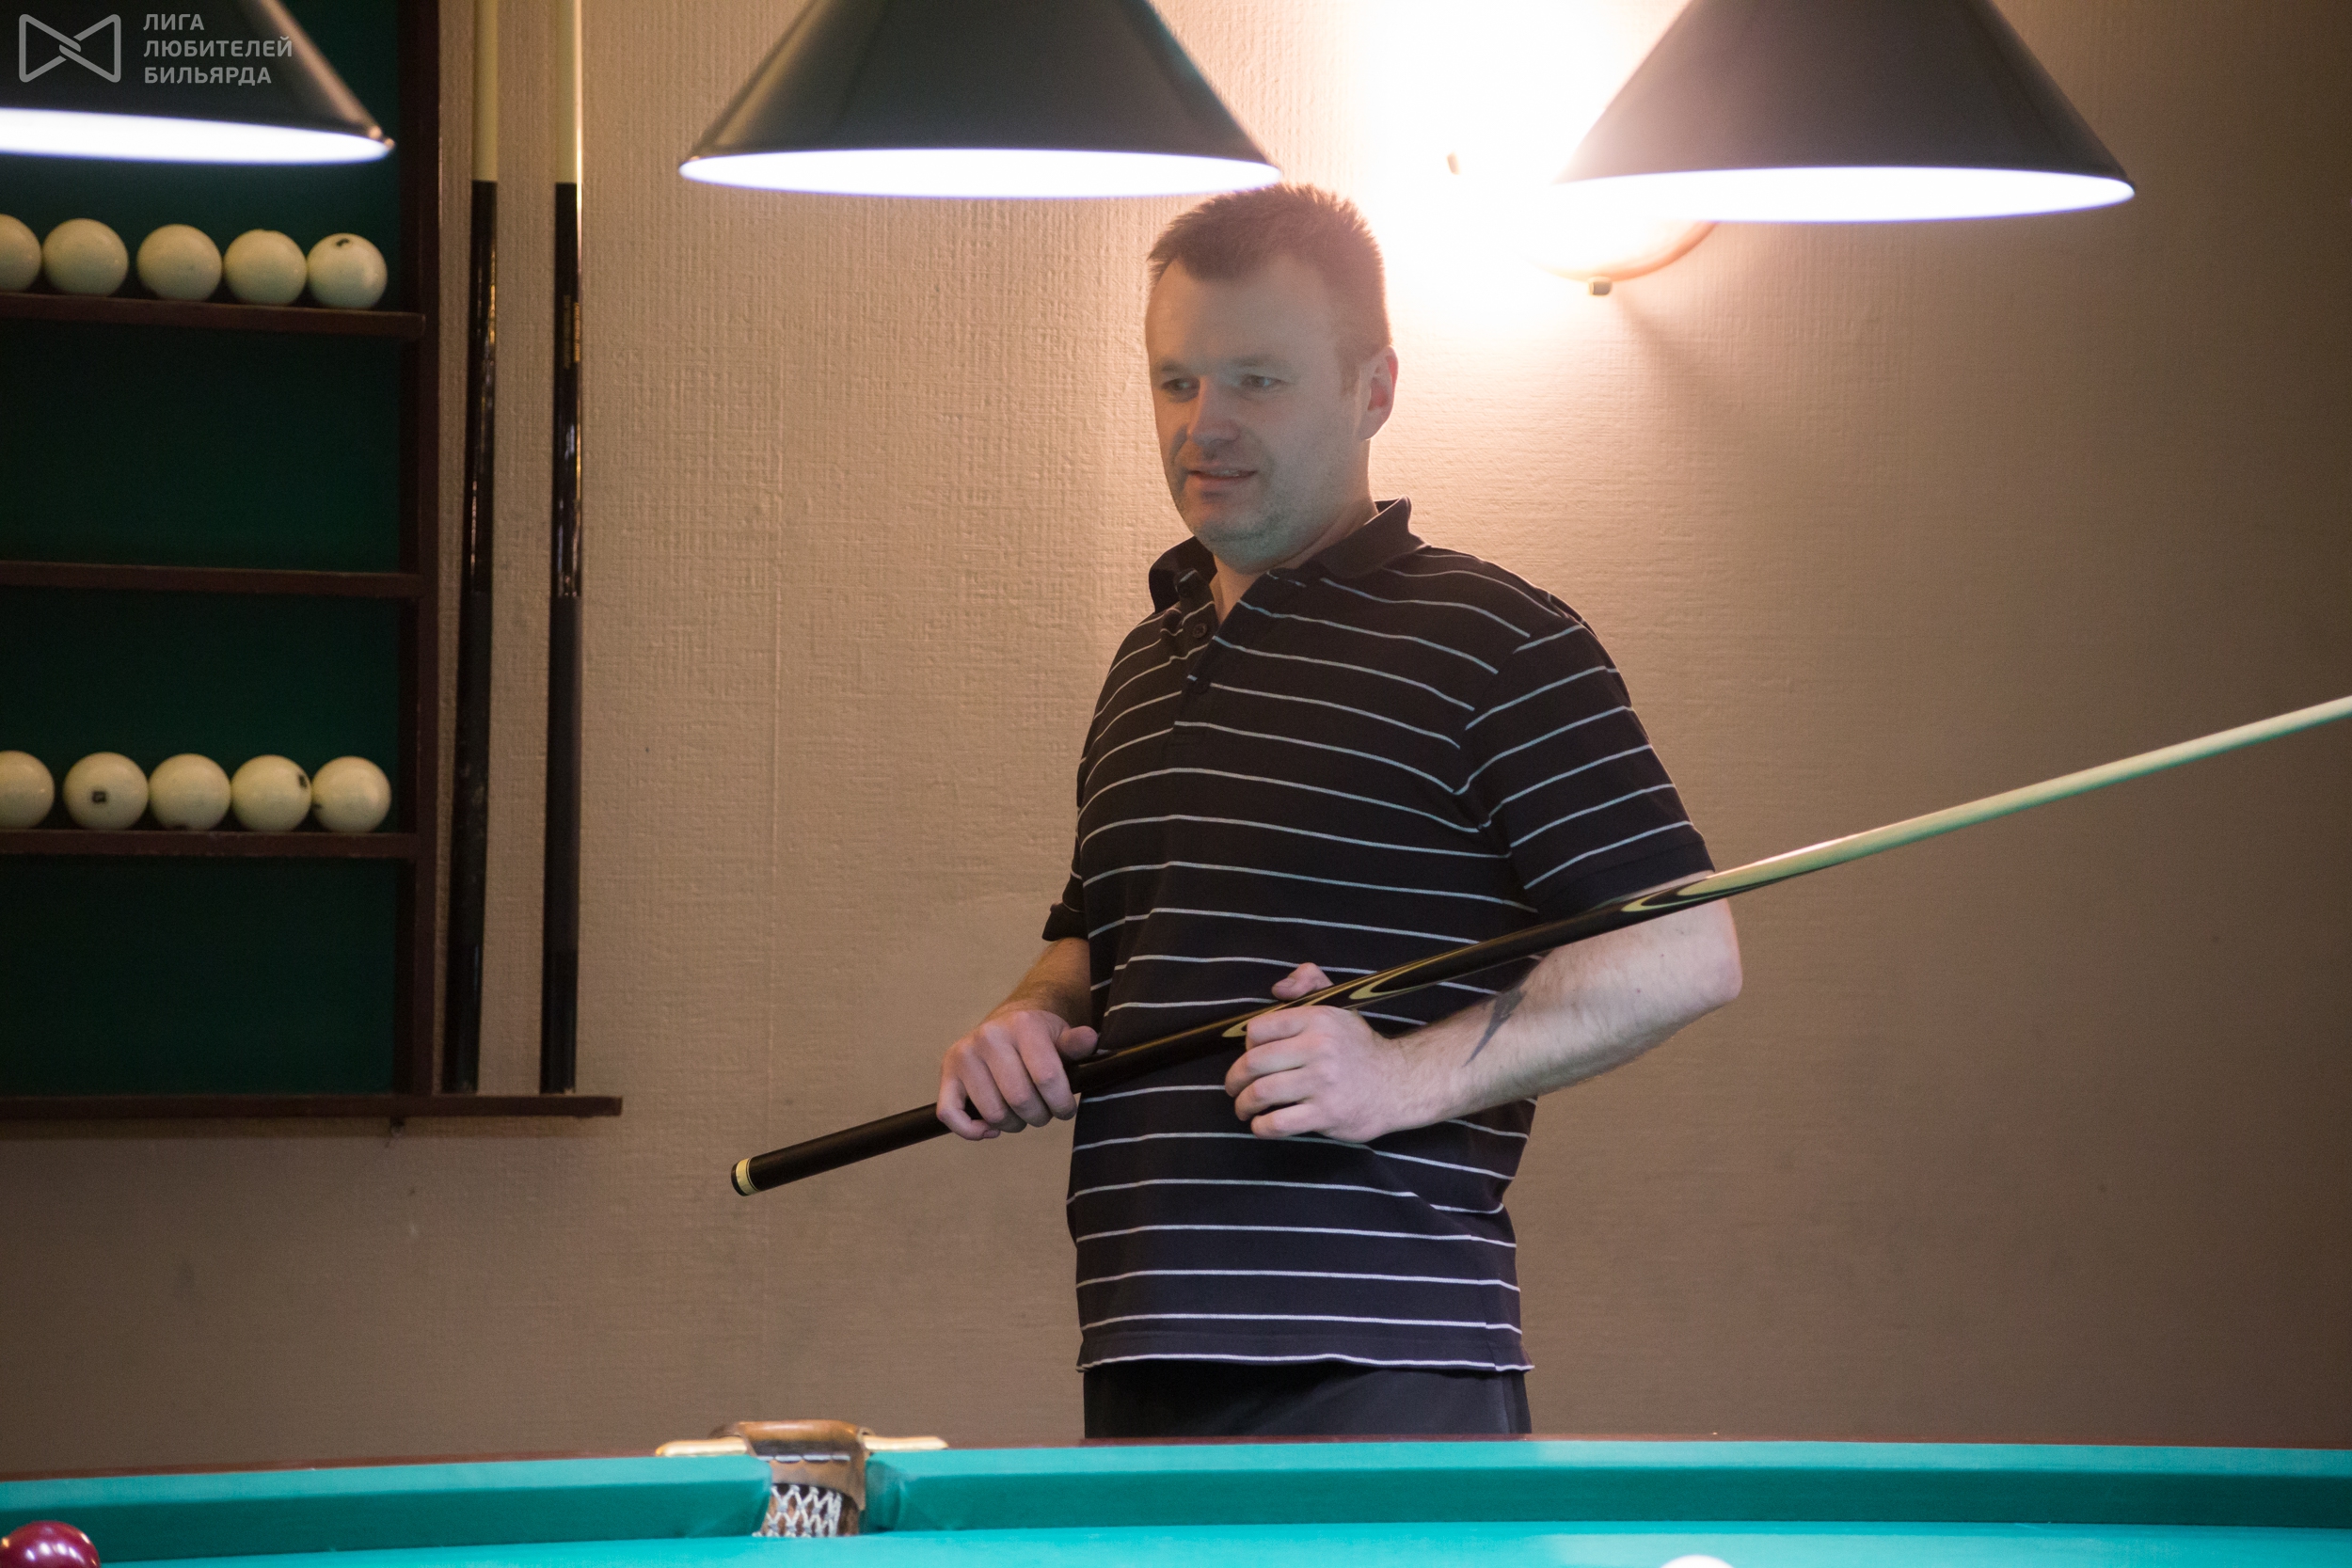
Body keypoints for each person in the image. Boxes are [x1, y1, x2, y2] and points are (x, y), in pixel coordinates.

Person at [935, 184, 1742, 1438]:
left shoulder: (1496, 642)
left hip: (1386, 1355)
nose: (1204, 424)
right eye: (1175, 382)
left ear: (1375, 390)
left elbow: (1686, 950)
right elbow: (1104, 934)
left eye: (1258, 381)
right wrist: (1028, 1018)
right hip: (1140, 1343)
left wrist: (1396, 1078)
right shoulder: (1147, 662)